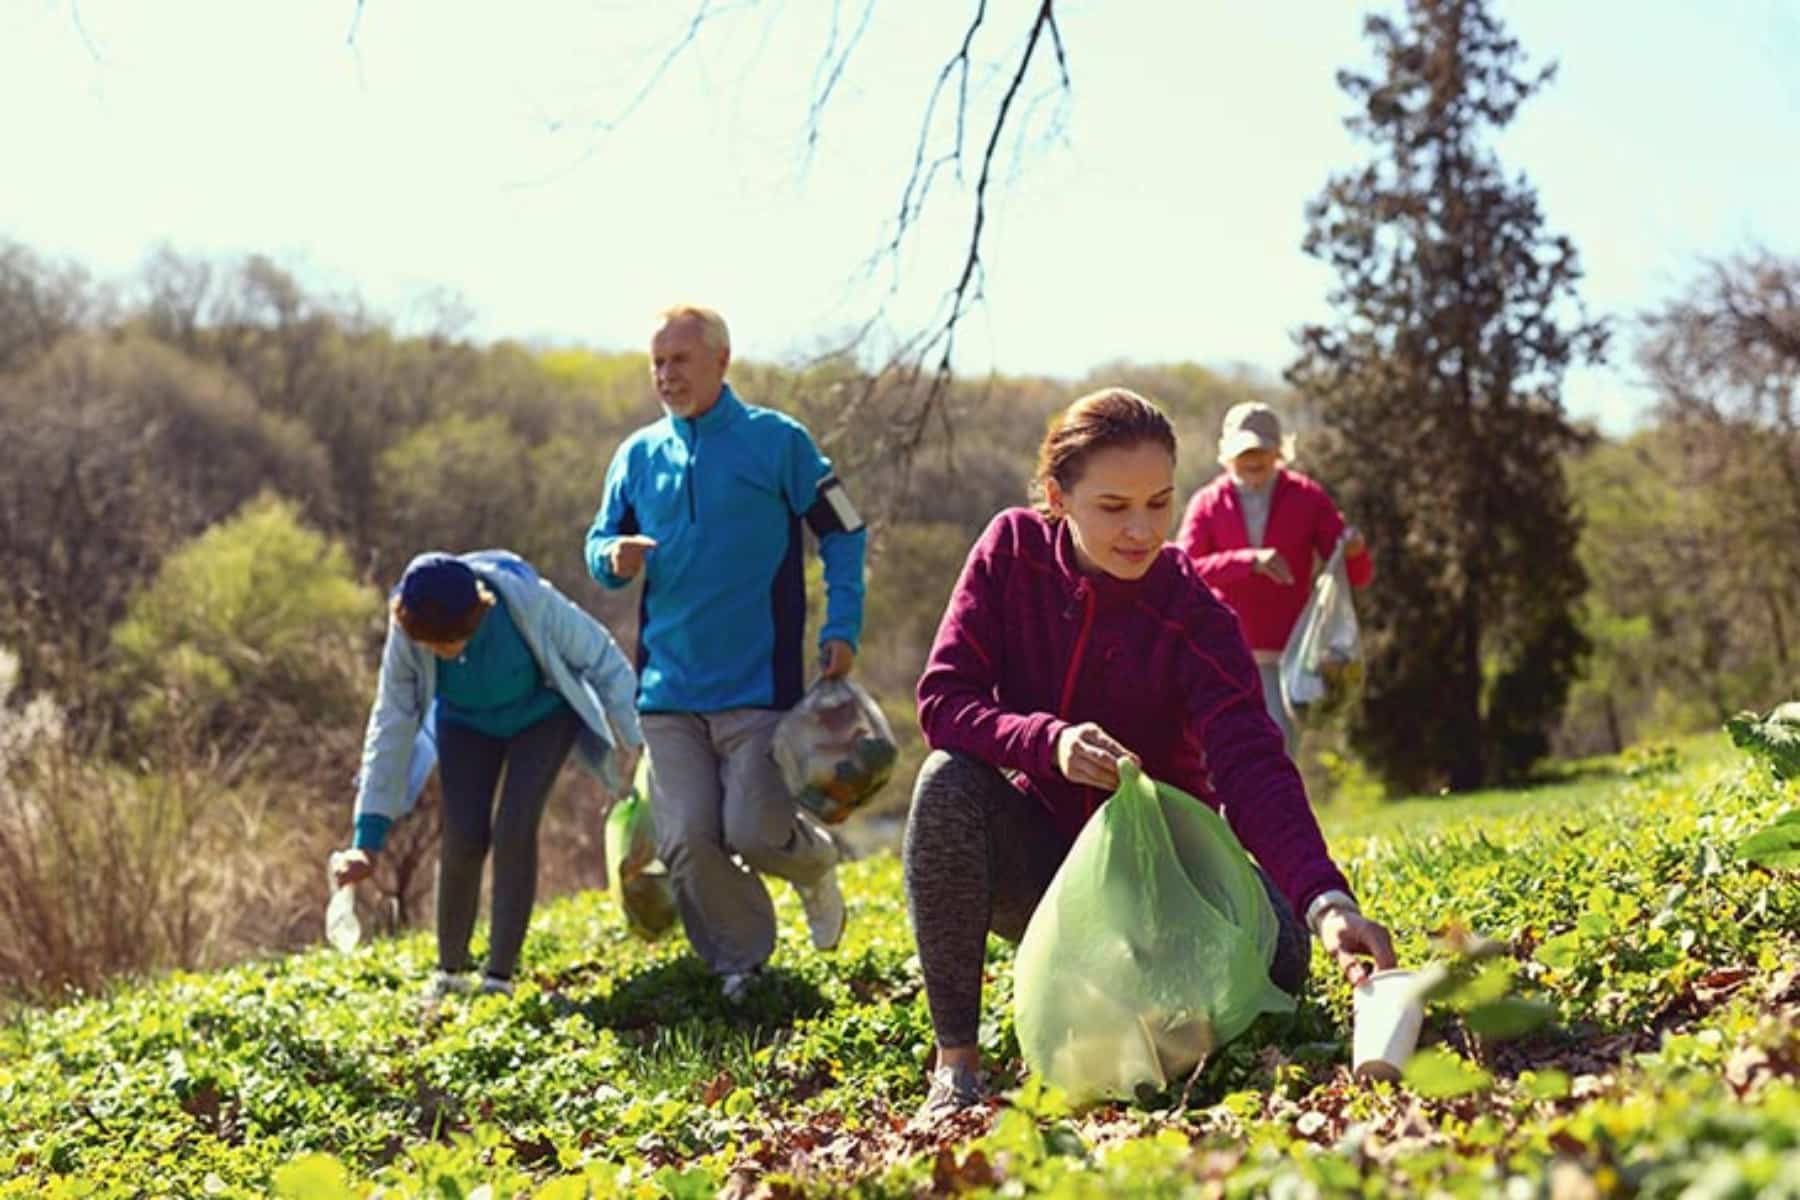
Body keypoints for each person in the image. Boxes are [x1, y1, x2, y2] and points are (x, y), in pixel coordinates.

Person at [904, 388, 1396, 1122]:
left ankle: (1154, 1002)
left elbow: (1251, 763)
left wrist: (1326, 899)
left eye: (1158, 504)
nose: (1140, 530)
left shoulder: (1193, 612)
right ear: (1057, 496)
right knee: (946, 784)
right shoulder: (1010, 554)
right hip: (1046, 874)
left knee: (1284, 951)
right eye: (1113, 507)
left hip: (1165, 887)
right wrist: (1049, 742)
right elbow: (944, 701)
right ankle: (958, 1069)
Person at [585, 304, 867, 1001]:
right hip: (667, 691)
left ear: (721, 360)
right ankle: (741, 964)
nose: (665, 375)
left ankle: (815, 866)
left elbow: (845, 530)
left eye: (680, 360)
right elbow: (597, 545)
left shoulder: (779, 443)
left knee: (755, 832)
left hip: (758, 686)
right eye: (657, 363)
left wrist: (843, 623)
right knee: (685, 840)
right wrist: (610, 558)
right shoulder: (638, 455)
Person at [332, 551, 643, 1000]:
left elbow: (601, 659)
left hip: (542, 715)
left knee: (514, 828)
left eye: (451, 641)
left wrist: (639, 738)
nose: (442, 651)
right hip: (465, 725)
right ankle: (450, 971)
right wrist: (368, 838)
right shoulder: (409, 633)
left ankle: (499, 976)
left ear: (476, 612)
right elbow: (391, 722)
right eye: (432, 646)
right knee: (463, 835)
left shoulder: (529, 602)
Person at [1177, 401, 1372, 754]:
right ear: (1227, 454)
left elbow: (1353, 574)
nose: (1253, 461)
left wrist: (1355, 550)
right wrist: (1247, 561)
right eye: (1244, 452)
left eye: (1261, 451)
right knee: (1221, 755)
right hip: (1222, 653)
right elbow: (1184, 570)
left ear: (1279, 451)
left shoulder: (1307, 496)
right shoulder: (1207, 502)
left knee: (1276, 752)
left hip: (1287, 656)